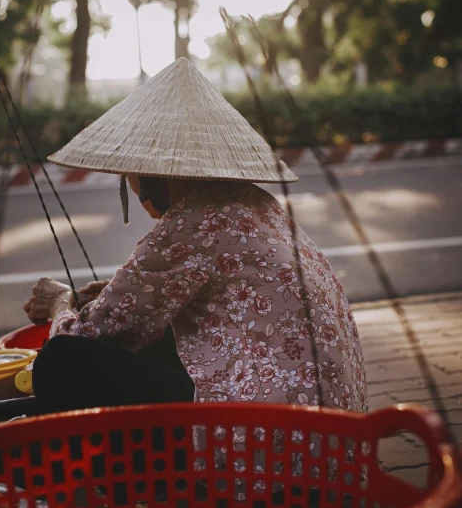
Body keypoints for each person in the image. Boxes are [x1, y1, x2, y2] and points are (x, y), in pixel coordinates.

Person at [25, 58, 368, 414]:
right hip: (329, 432)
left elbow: (90, 336)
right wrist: (114, 292)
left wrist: (59, 303)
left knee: (60, 361)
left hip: (265, 431)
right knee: (155, 333)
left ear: (154, 177)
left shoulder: (190, 222)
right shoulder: (255, 202)